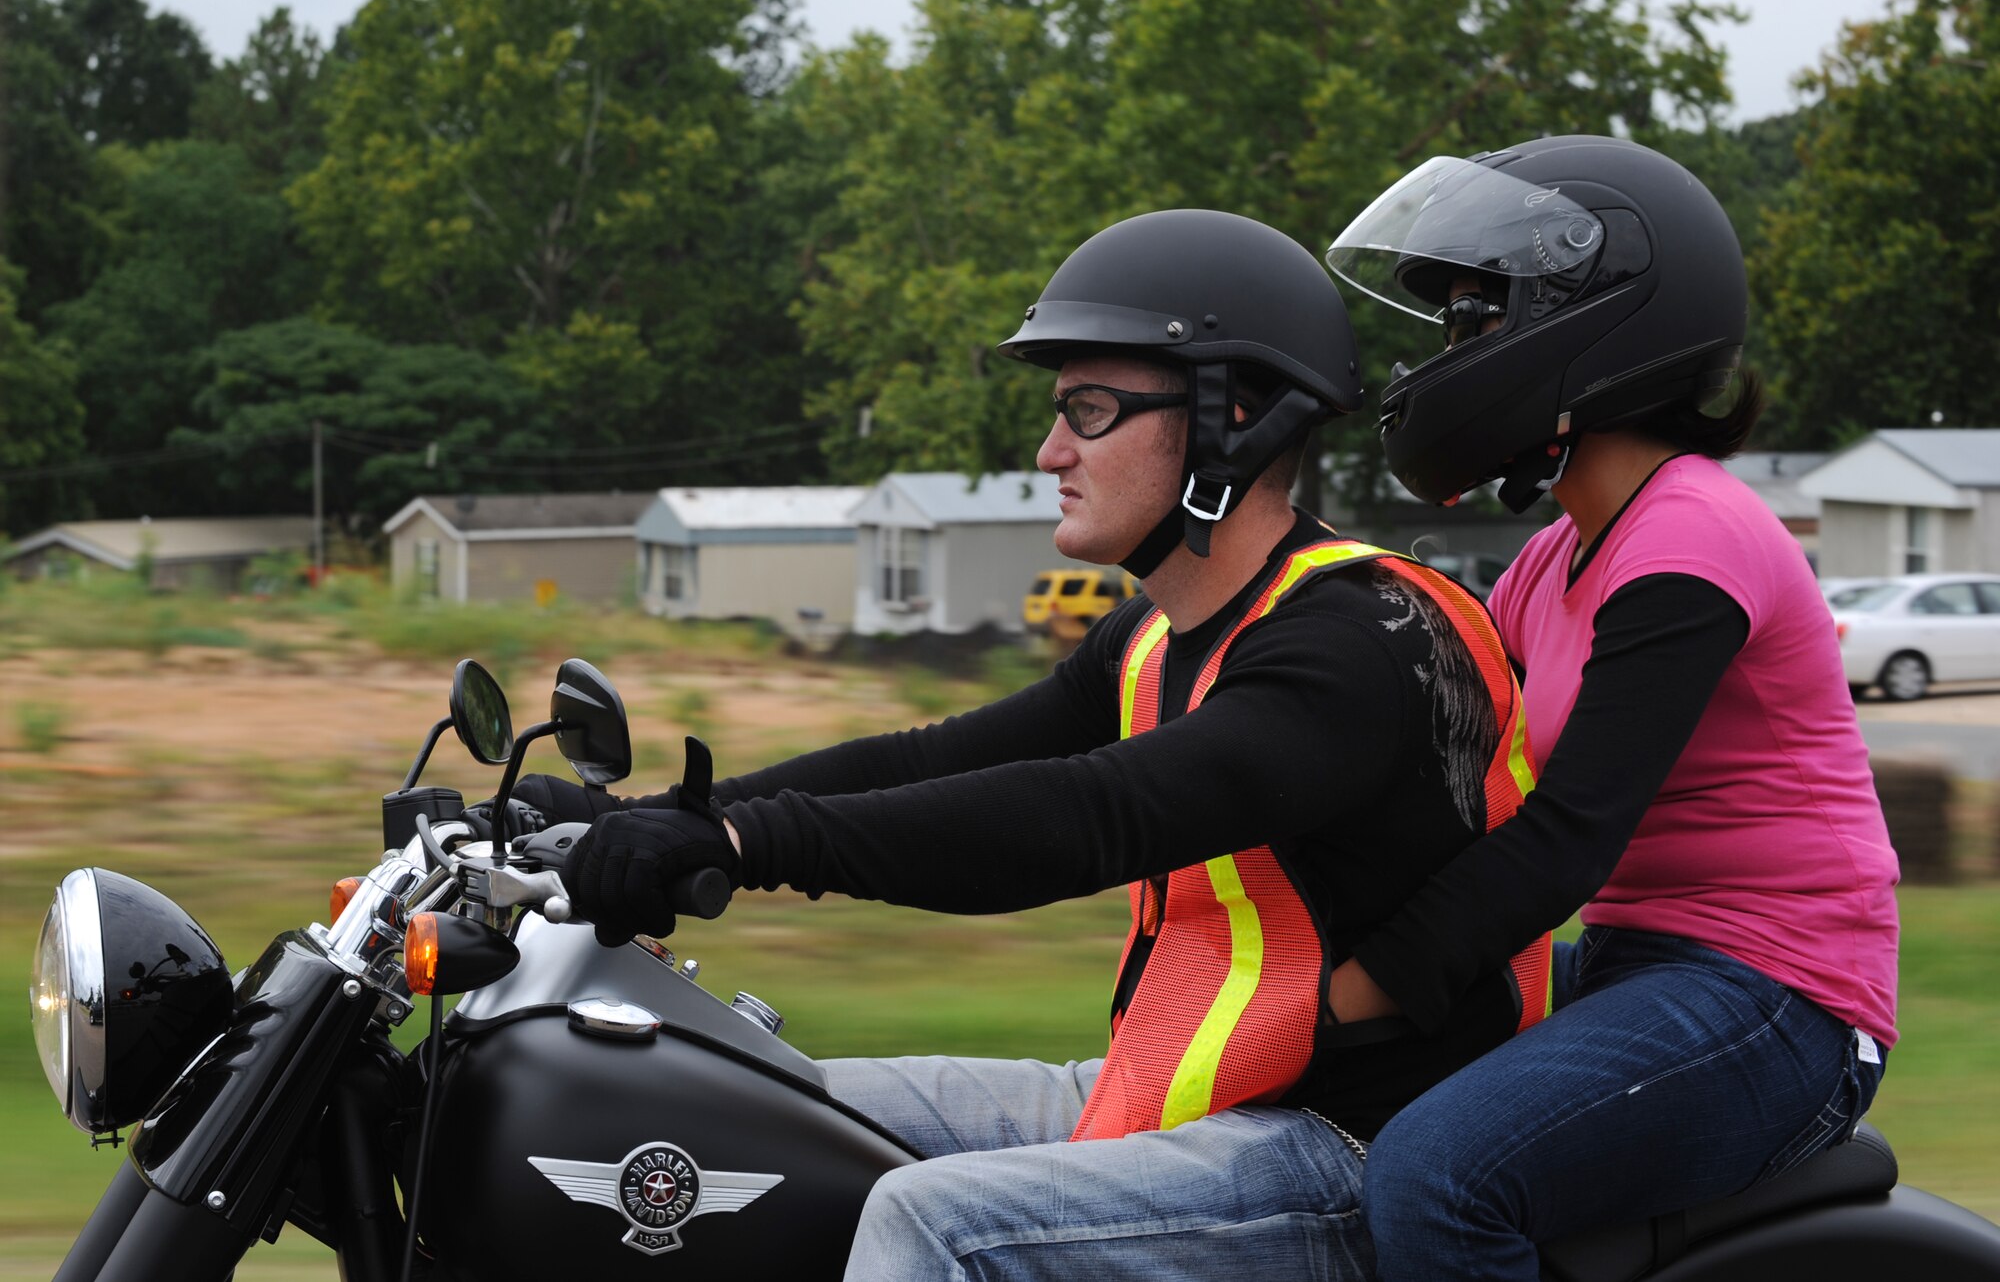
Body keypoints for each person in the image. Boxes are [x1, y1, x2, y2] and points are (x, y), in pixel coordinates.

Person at [515, 208, 1553, 1280]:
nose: (1049, 450)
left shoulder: (1350, 645)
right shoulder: (1161, 627)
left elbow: (1086, 817)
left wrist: (743, 844)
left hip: (1339, 1149)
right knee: (750, 1104)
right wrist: (650, 817)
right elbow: (934, 759)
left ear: (1226, 418)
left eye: (1089, 410)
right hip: (1186, 1086)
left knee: (929, 1222)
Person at [1324, 134, 1900, 1281]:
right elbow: (1430, 744)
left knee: (1434, 1179)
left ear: (1594, 318)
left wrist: (1366, 976)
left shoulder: (1692, 531)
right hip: (1635, 962)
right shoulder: (1552, 558)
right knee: (1327, 1102)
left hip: (1777, 989)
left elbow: (1566, 832)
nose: (1449, 354)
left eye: (1474, 320)